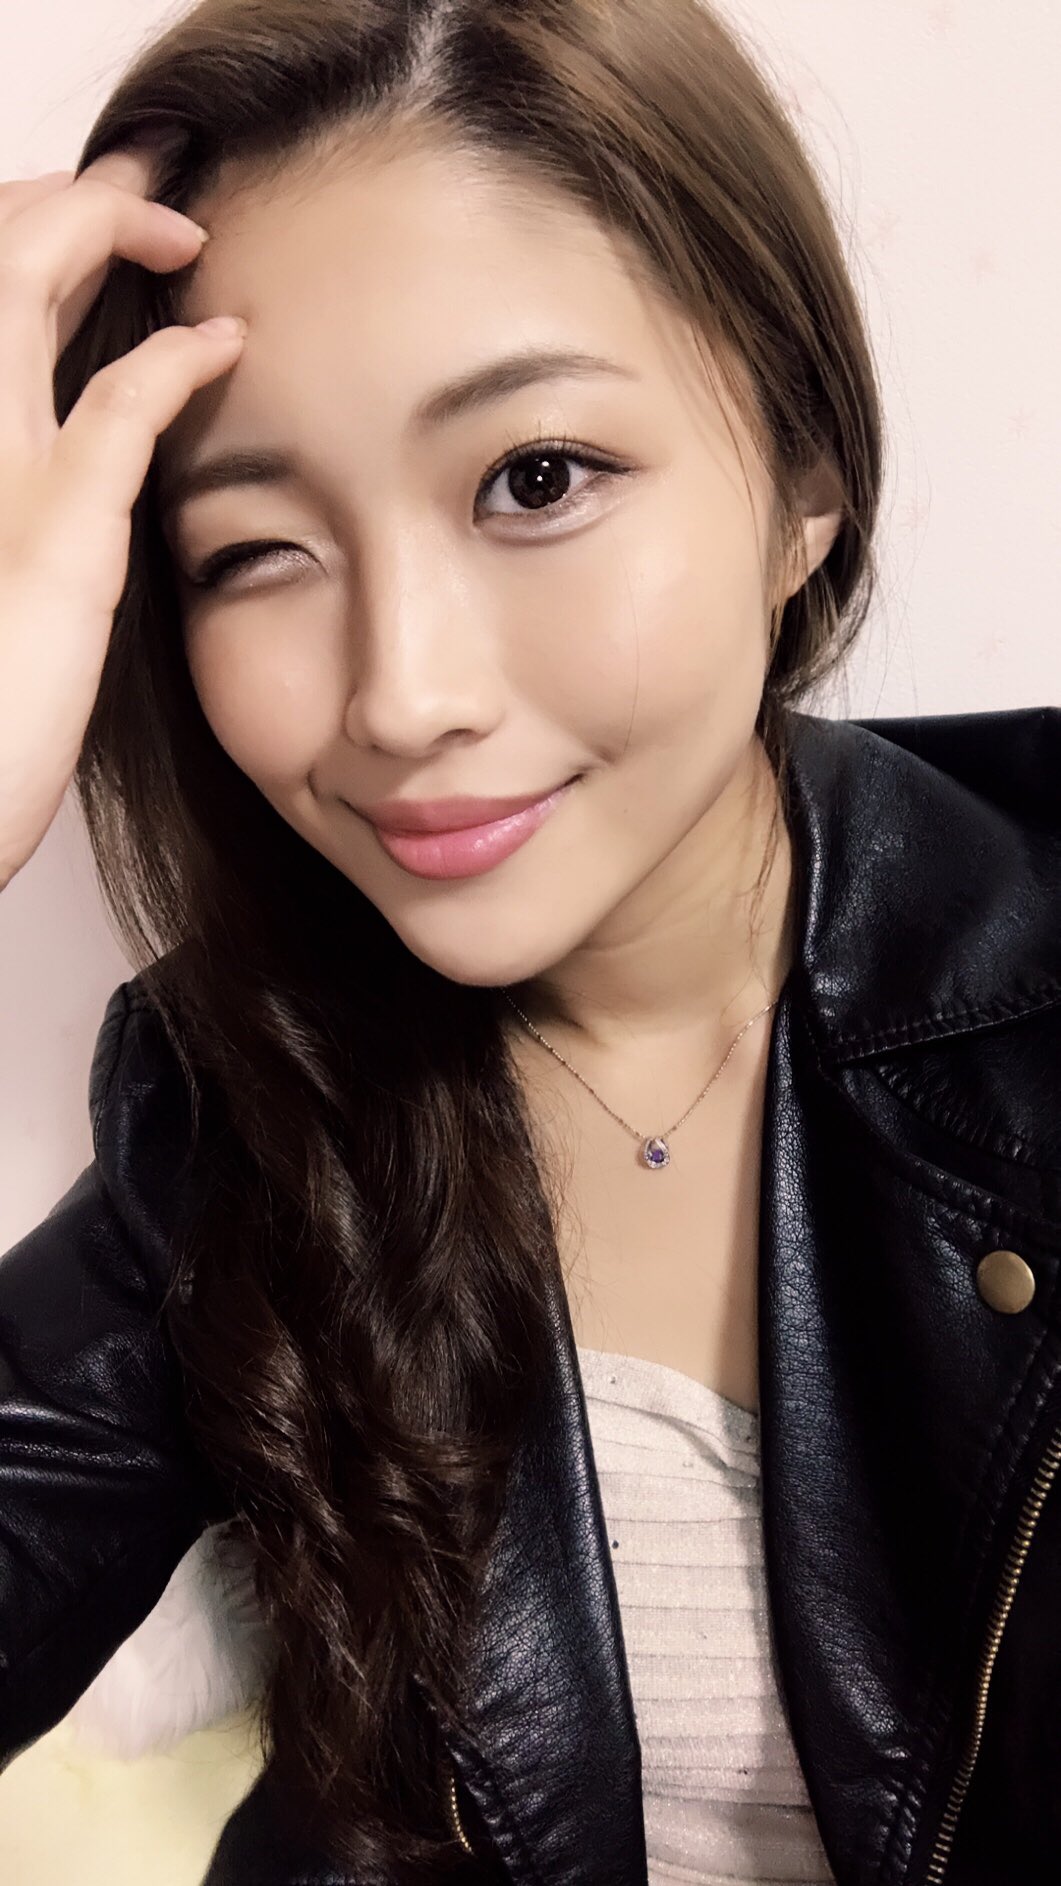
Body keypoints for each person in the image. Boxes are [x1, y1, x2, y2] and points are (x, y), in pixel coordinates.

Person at [0, 2, 1057, 1883]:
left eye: (536, 477)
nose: (401, 695)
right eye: (252, 549)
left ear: (801, 476)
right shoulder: (233, 1115)